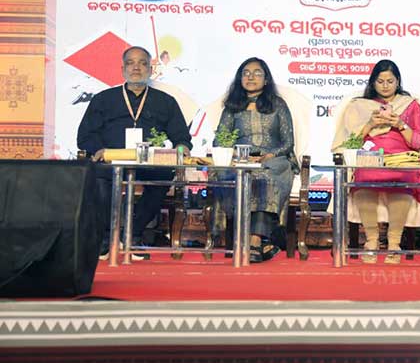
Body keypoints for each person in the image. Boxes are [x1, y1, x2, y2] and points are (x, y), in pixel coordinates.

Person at [77, 46, 192, 258]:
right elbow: (85, 135)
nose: (136, 68)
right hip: (111, 161)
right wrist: (99, 149)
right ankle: (105, 238)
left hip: (149, 162)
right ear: (122, 69)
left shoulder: (165, 101)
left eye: (142, 63)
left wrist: (182, 148)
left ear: (151, 69)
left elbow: (182, 137)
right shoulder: (103, 99)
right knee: (98, 177)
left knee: (163, 176)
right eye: (130, 63)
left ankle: (132, 235)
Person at [331, 59, 420, 264]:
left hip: (401, 158)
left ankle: (394, 244)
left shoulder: (410, 105)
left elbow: (419, 142)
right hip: (370, 156)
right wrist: (369, 124)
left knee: (401, 176)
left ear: (398, 81)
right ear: (373, 82)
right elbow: (349, 144)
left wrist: (400, 124)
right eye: (380, 81)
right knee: (365, 174)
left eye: (390, 81)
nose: (385, 86)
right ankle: (371, 242)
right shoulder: (359, 106)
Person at [213, 57, 298, 263]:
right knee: (241, 175)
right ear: (239, 78)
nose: (251, 77)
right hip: (240, 160)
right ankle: (262, 243)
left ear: (266, 79)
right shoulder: (232, 107)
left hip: (273, 159)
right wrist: (236, 155)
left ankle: (254, 239)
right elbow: (220, 140)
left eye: (257, 73)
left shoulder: (278, 104)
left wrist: (270, 154)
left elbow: (288, 142)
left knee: (265, 176)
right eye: (246, 73)